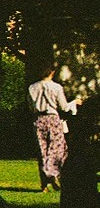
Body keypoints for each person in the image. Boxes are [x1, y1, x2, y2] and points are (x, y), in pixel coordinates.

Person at [29, 63, 79, 192]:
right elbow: (64, 107)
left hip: (39, 119)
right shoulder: (56, 87)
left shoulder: (32, 88)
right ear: (52, 72)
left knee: (42, 151)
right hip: (53, 119)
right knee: (57, 149)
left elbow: (30, 106)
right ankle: (53, 174)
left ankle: (44, 184)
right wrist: (74, 103)